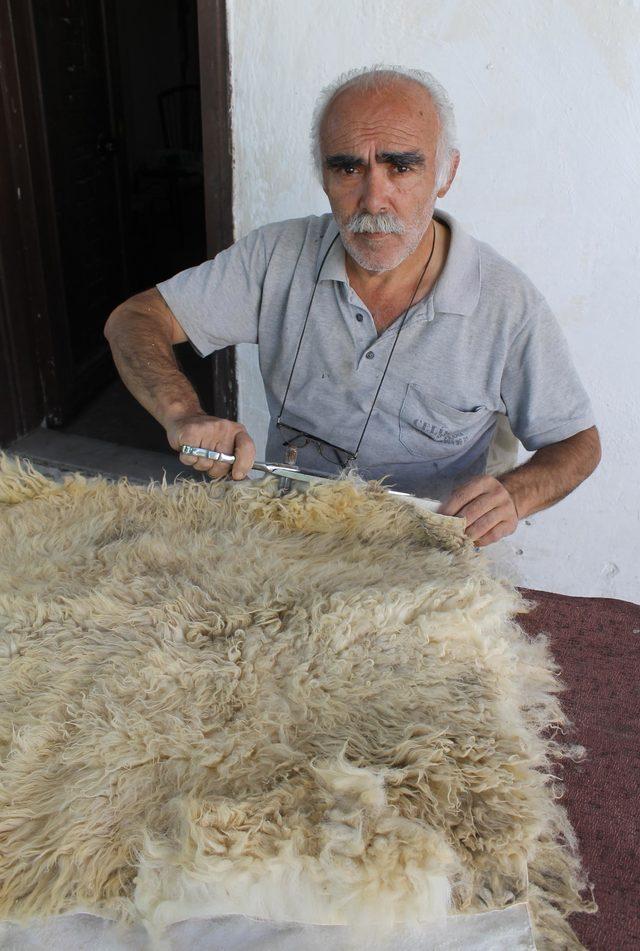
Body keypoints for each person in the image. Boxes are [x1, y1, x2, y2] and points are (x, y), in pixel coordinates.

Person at [104, 64, 601, 548]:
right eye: (348, 168)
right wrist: (182, 414)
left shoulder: (505, 303)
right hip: (287, 533)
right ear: (323, 177)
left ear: (446, 173)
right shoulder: (277, 257)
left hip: (424, 551)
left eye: (401, 167)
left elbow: (577, 442)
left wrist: (515, 495)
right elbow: (134, 320)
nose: (373, 200)